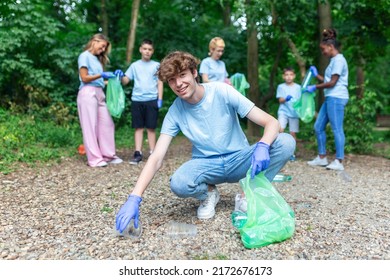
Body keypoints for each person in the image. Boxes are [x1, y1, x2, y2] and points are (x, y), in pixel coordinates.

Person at [115, 51, 296, 233]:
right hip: (207, 166)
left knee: (285, 142)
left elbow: (272, 122)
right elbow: (156, 158)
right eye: (171, 80)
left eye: (182, 75)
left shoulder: (221, 90)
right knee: (179, 182)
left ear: (194, 73)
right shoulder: (175, 111)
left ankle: (247, 194)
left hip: (239, 160)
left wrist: (263, 146)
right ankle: (209, 193)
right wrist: (134, 198)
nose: (178, 84)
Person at [77, 33, 123, 167]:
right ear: (95, 41)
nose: (102, 50)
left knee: (107, 124)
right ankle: (95, 159)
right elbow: (84, 77)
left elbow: (100, 81)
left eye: (104, 48)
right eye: (102, 47)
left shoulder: (97, 60)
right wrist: (101, 74)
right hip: (87, 92)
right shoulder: (84, 56)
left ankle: (108, 155)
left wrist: (114, 79)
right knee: (90, 126)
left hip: (99, 92)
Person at [306, 28, 349, 171]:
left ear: (331, 47)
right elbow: (328, 80)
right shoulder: (333, 61)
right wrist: (317, 75)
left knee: (337, 129)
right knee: (318, 127)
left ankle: (339, 161)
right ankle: (322, 158)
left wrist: (315, 87)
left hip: (337, 97)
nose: (323, 52)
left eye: (323, 49)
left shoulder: (339, 60)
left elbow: (332, 83)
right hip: (330, 97)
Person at [114, 39, 163, 165]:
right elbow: (126, 81)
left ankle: (153, 153)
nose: (147, 51)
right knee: (138, 127)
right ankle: (138, 153)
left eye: (149, 49)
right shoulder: (135, 65)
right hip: (137, 100)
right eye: (145, 49)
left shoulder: (156, 65)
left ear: (152, 51)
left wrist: (160, 99)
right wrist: (120, 76)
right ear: (141, 49)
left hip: (152, 99)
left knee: (151, 128)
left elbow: (160, 82)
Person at [276, 67, 301, 161]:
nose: (289, 77)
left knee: (292, 133)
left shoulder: (298, 87)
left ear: (294, 76)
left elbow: (300, 101)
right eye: (286, 75)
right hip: (283, 112)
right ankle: (278, 152)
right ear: (283, 76)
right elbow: (280, 100)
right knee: (280, 130)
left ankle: (291, 154)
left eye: (290, 75)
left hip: (294, 113)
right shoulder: (281, 87)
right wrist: (286, 98)